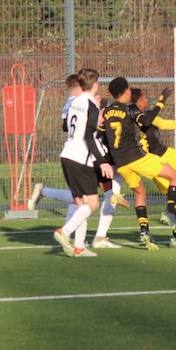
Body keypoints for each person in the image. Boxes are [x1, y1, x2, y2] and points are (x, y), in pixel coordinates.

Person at [100, 76, 176, 250]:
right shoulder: (129, 108)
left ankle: (144, 231)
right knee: (175, 177)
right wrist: (160, 103)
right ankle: (170, 212)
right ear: (126, 91)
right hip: (137, 157)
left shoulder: (107, 111)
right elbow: (146, 121)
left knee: (140, 192)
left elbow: (101, 134)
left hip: (121, 163)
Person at [53, 68, 113, 257]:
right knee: (92, 203)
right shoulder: (91, 105)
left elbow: (67, 125)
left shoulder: (74, 101)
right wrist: (102, 162)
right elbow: (89, 136)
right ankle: (65, 231)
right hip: (80, 157)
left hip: (67, 155)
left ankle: (79, 247)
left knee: (81, 203)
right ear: (95, 85)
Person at [131, 87, 176, 240]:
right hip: (161, 157)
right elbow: (162, 123)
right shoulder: (143, 116)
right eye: (145, 98)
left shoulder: (131, 117)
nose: (148, 100)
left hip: (152, 161)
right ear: (138, 102)